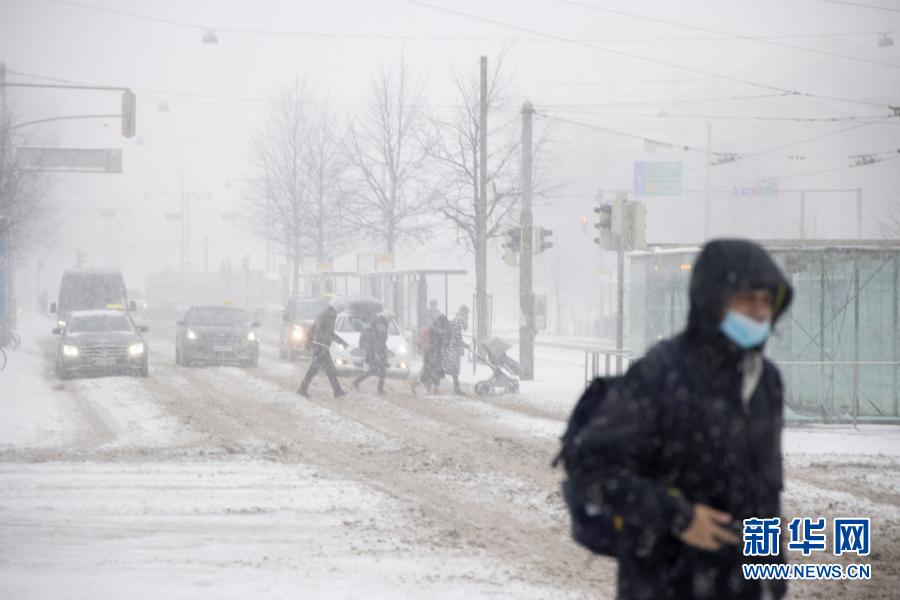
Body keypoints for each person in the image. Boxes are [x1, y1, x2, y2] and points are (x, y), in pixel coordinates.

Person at [570, 239, 793, 600]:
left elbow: (764, 489)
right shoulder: (661, 372)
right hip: (663, 582)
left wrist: (772, 576)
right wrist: (679, 517)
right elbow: (591, 466)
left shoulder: (766, 380)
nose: (759, 312)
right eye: (747, 299)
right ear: (713, 300)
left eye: (767, 300)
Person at [298, 305, 349, 398]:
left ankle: (337, 390)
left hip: (318, 344)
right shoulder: (330, 316)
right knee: (319, 369)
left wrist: (309, 341)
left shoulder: (322, 314)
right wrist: (342, 342)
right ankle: (303, 388)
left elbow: (313, 328)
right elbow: (330, 333)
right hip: (323, 346)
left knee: (323, 369)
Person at [353, 313, 389, 395]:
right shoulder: (374, 332)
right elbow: (373, 343)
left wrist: (384, 351)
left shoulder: (382, 330)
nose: (383, 327)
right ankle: (357, 381)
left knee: (380, 370)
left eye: (384, 326)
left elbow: (382, 342)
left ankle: (379, 389)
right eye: (381, 325)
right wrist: (376, 354)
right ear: (378, 324)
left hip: (380, 352)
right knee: (375, 370)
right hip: (374, 353)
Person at [442, 305, 470, 395]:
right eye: (467, 314)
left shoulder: (457, 320)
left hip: (451, 347)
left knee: (451, 368)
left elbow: (457, 335)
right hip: (452, 348)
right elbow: (457, 336)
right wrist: (463, 344)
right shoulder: (458, 321)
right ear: (464, 313)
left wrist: (463, 344)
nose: (467, 316)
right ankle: (456, 388)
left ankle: (456, 387)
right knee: (451, 368)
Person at [418, 314, 449, 394]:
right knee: (433, 372)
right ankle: (432, 389)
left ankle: (431, 389)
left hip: (430, 353)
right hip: (434, 353)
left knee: (429, 371)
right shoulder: (438, 331)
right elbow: (437, 342)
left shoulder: (433, 329)